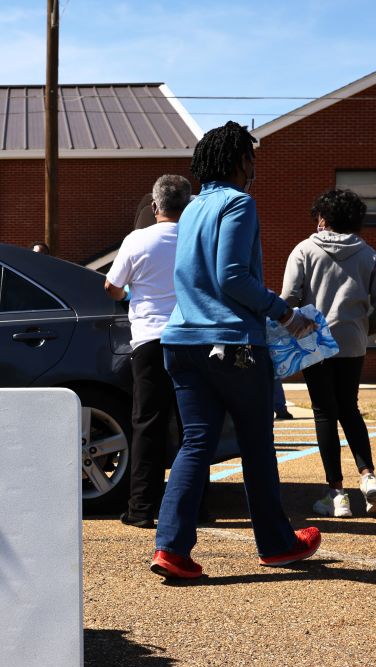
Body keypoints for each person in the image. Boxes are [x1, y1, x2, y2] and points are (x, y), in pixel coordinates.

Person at [148, 121, 321, 580]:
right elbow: (231, 278)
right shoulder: (238, 203)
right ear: (241, 161)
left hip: (180, 340)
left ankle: (171, 548)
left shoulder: (190, 210)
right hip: (232, 343)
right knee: (257, 445)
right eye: (252, 158)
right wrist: (284, 314)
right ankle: (277, 544)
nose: (254, 167)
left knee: (196, 442)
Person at [281, 188, 376, 519]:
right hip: (353, 341)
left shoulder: (304, 250)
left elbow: (288, 297)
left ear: (322, 218)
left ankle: (336, 493)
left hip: (315, 341)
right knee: (350, 407)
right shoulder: (370, 255)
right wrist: (366, 329)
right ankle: (368, 476)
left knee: (323, 412)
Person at [104, 174, 192, 528]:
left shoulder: (137, 240)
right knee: (192, 426)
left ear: (155, 206)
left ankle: (142, 509)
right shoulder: (196, 238)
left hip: (150, 340)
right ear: (187, 205)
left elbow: (112, 286)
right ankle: (194, 506)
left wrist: (128, 298)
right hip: (191, 338)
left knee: (148, 425)